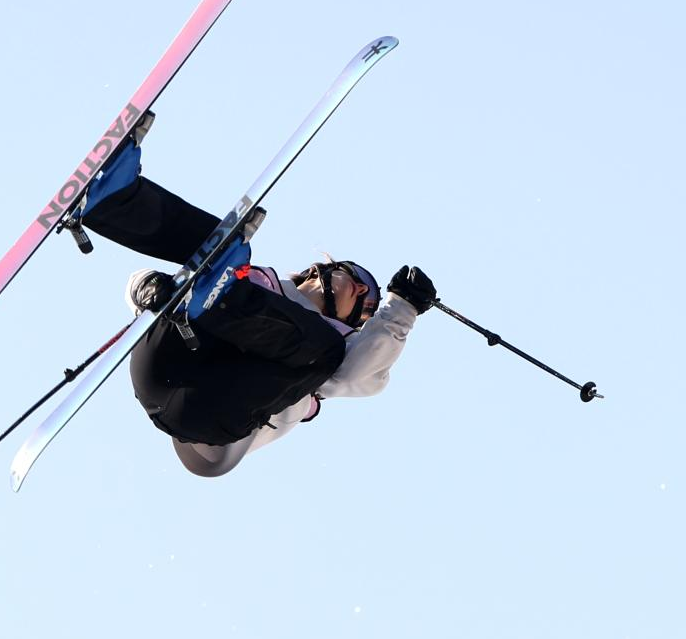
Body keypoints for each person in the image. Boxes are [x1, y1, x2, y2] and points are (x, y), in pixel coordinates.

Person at [76, 123, 437, 476]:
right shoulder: (249, 276)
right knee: (217, 245)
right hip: (168, 358)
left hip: (203, 409)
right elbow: (140, 291)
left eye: (367, 308)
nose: (362, 297)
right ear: (320, 271)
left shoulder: (336, 345)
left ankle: (221, 302)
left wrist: (400, 307)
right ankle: (114, 198)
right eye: (360, 284)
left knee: (323, 351)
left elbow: (362, 371)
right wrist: (149, 287)